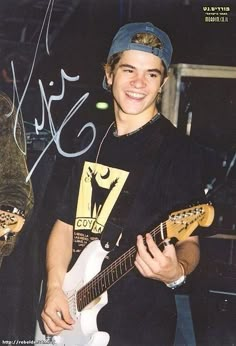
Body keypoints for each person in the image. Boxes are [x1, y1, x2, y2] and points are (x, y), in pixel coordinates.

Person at [40, 22, 206, 345]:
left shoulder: (178, 152)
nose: (139, 83)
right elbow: (65, 224)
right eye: (129, 69)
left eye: (152, 74)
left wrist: (177, 272)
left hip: (142, 329)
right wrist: (55, 289)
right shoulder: (90, 143)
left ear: (163, 83)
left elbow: (191, 243)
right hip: (75, 319)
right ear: (109, 73)